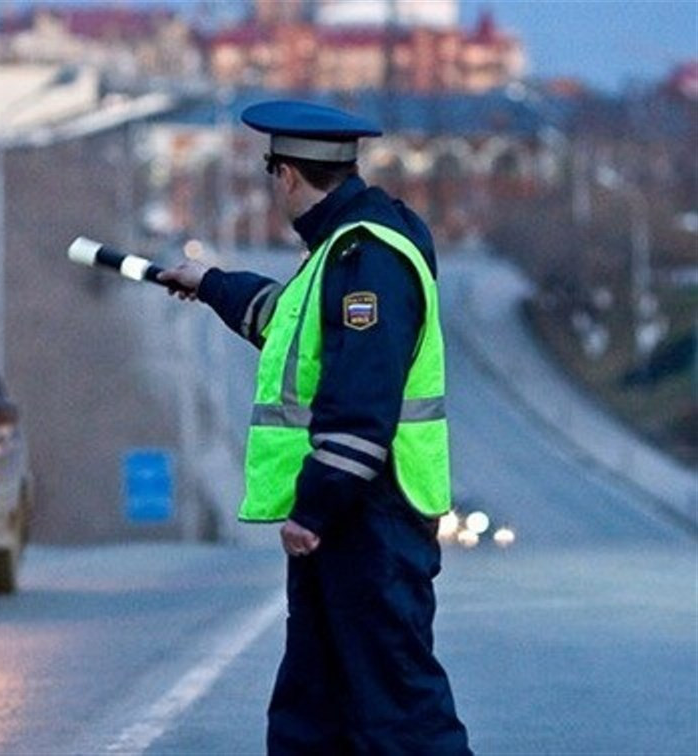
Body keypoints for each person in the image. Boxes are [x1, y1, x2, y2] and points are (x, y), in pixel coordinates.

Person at [158, 100, 471, 755]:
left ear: (287, 176)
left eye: (270, 173)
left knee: (398, 713)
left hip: (369, 518)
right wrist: (209, 283)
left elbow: (363, 399)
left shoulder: (368, 259)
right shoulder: (344, 249)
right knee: (314, 711)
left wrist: (315, 508)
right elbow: (285, 323)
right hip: (349, 525)